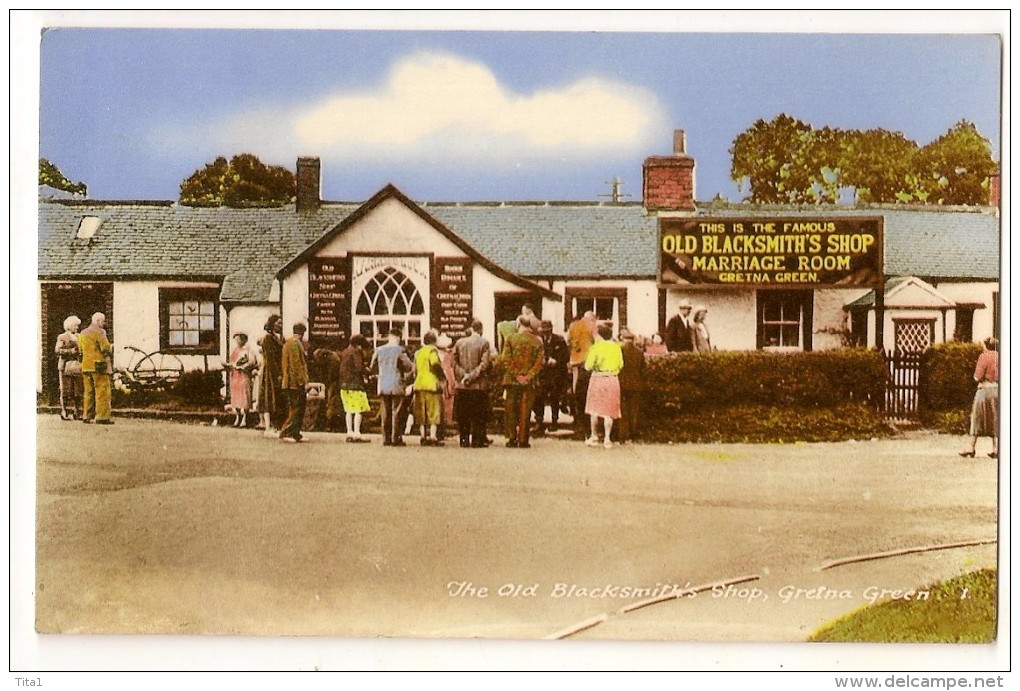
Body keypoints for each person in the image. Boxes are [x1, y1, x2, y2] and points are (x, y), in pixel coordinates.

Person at [500, 316, 545, 448]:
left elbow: (506, 359)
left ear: (518, 324)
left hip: (512, 381)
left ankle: (512, 438)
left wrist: (516, 374)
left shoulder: (510, 339)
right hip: (529, 382)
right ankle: (523, 439)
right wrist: (528, 376)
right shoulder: (536, 341)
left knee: (511, 409)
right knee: (525, 410)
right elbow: (539, 362)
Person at [453, 319, 494, 448]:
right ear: (480, 330)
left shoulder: (459, 343)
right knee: (478, 415)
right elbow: (484, 364)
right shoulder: (484, 343)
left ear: (471, 328)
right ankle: (477, 440)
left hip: (463, 385)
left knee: (463, 415)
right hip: (478, 386)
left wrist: (463, 376)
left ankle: (464, 439)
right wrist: (471, 376)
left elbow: (454, 363)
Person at [370, 328, 414, 447]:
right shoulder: (400, 350)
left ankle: (386, 438)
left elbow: (372, 366)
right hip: (396, 383)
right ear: (398, 338)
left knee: (385, 412)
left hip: (383, 383)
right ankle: (396, 438)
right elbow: (408, 367)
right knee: (397, 412)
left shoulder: (379, 349)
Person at [584, 323, 624, 449]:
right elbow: (621, 364)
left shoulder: (596, 347)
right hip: (612, 378)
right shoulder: (616, 347)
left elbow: (588, 366)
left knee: (594, 409)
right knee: (609, 410)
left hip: (598, 378)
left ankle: (594, 436)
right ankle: (607, 438)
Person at [960, 337, 999, 459]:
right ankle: (996, 448)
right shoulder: (1001, 357)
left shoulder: (984, 357)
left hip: (984, 390)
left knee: (977, 418)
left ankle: (971, 447)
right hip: (998, 390)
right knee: (996, 418)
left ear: (986, 346)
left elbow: (977, 377)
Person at [532, 319, 569, 435]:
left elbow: (565, 356)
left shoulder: (559, 340)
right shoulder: (538, 341)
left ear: (551, 329)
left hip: (556, 375)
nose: (545, 333)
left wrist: (557, 361)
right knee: (539, 398)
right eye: (543, 331)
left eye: (547, 330)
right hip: (542, 374)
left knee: (554, 398)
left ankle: (554, 421)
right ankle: (539, 421)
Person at [79, 312, 114, 425]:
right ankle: (102, 417)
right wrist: (111, 347)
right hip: (99, 365)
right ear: (99, 321)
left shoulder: (83, 333)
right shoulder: (100, 332)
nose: (103, 323)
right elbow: (105, 347)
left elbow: (80, 350)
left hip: (86, 365)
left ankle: (87, 415)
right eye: (103, 321)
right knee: (102, 391)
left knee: (88, 392)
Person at [279, 322, 309, 443]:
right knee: (296, 408)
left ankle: (295, 433)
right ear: (302, 333)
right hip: (295, 383)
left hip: (290, 381)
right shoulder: (295, 344)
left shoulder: (288, 343)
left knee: (297, 408)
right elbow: (297, 365)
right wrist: (303, 381)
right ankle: (287, 432)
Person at [413, 331, 445, 446]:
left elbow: (414, 370)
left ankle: (423, 436)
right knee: (433, 411)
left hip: (419, 383)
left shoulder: (418, 352)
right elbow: (435, 363)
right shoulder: (432, 350)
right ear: (434, 341)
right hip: (431, 383)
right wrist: (441, 377)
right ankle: (433, 436)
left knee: (421, 412)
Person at [339, 334, 372, 442]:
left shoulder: (344, 352)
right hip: (356, 385)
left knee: (348, 410)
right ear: (358, 345)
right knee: (359, 409)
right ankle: (357, 433)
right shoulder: (356, 352)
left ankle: (349, 432)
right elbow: (359, 367)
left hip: (344, 385)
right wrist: (368, 371)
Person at [617, 329, 647, 444]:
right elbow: (643, 369)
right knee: (634, 411)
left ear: (623, 339)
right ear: (633, 340)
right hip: (636, 385)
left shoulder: (620, 350)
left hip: (622, 384)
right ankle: (633, 435)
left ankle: (623, 436)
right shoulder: (639, 353)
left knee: (623, 411)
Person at [257, 315, 285, 436]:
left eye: (281, 323)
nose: (280, 325)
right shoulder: (268, 338)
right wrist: (277, 373)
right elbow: (270, 358)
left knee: (276, 399)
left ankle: (274, 426)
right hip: (270, 372)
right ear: (272, 324)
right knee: (268, 397)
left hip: (276, 371)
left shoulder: (278, 338)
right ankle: (268, 427)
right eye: (278, 323)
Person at [55, 315, 83, 420]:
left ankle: (77, 411)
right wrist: (70, 351)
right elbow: (57, 350)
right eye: (75, 326)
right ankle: (64, 411)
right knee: (65, 390)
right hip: (65, 365)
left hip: (76, 366)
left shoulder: (80, 337)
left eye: (77, 326)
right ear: (69, 326)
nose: (77, 328)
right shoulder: (62, 337)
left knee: (77, 390)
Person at [226, 332, 256, 428]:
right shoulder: (235, 350)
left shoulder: (247, 350)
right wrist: (230, 365)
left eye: (238, 339)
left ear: (243, 340)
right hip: (235, 375)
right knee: (236, 396)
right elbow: (232, 361)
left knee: (244, 395)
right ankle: (238, 416)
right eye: (236, 339)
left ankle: (245, 417)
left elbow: (252, 361)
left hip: (243, 375)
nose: (237, 341)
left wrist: (244, 366)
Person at [312, 346, 344, 433]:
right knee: (332, 404)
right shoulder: (334, 358)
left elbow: (331, 376)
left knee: (331, 404)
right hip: (334, 384)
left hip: (333, 384)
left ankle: (330, 424)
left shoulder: (332, 361)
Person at [436, 333, 458, 441]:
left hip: (436, 384)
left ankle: (438, 432)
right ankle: (441, 432)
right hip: (445, 385)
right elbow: (449, 372)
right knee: (444, 409)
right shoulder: (447, 357)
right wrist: (452, 385)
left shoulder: (435, 354)